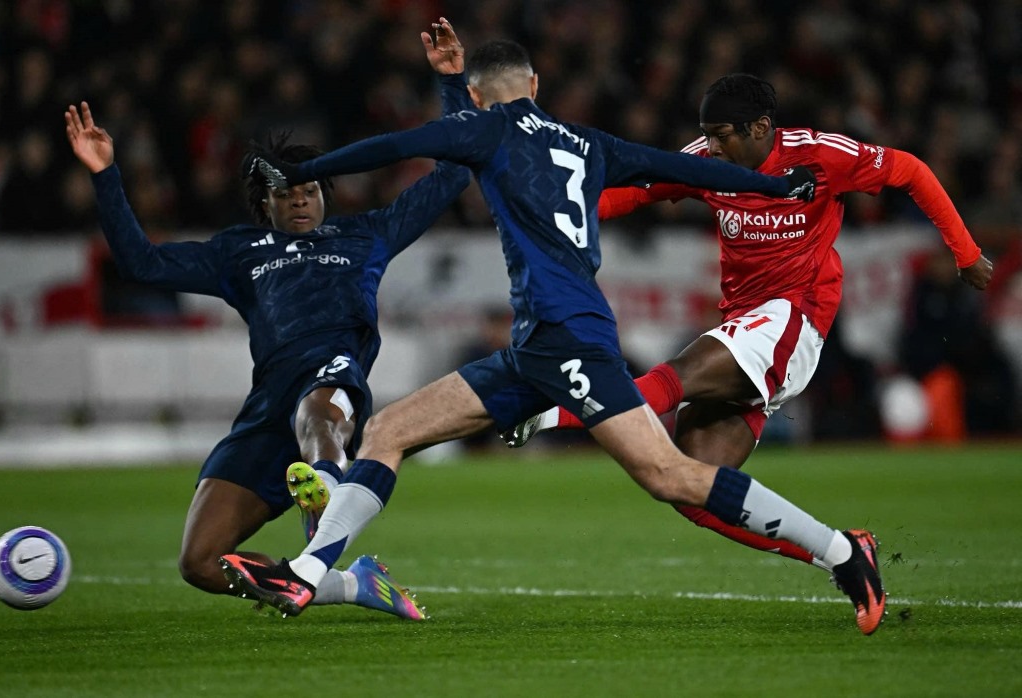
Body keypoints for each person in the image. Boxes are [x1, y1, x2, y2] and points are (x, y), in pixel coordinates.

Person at [221, 28, 887, 636]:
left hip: (569, 335)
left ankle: (839, 549)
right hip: (536, 343)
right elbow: (687, 168)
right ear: (536, 86)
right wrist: (774, 187)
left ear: (479, 98)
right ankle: (308, 574)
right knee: (388, 431)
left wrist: (309, 170)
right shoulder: (589, 142)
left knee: (670, 474)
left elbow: (400, 145)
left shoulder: (485, 131)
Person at [500, 73, 994, 573]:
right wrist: (560, 220)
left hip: (795, 317)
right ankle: (840, 554)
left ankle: (553, 411)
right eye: (706, 134)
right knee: (690, 487)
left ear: (760, 127)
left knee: (675, 377)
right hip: (746, 326)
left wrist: (966, 253)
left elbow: (908, 170)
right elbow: (635, 194)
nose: (711, 146)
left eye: (721, 134)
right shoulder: (704, 162)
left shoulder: (820, 156)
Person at [63, 21, 474, 620]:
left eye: (310, 189)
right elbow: (141, 263)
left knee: (320, 415)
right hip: (266, 408)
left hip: (332, 368)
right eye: (287, 194)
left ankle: (325, 488)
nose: (302, 199)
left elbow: (455, 173)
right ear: (266, 206)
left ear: (326, 195)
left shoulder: (366, 234)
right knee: (201, 563)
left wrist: (452, 83)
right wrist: (105, 177)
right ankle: (351, 582)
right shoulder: (239, 252)